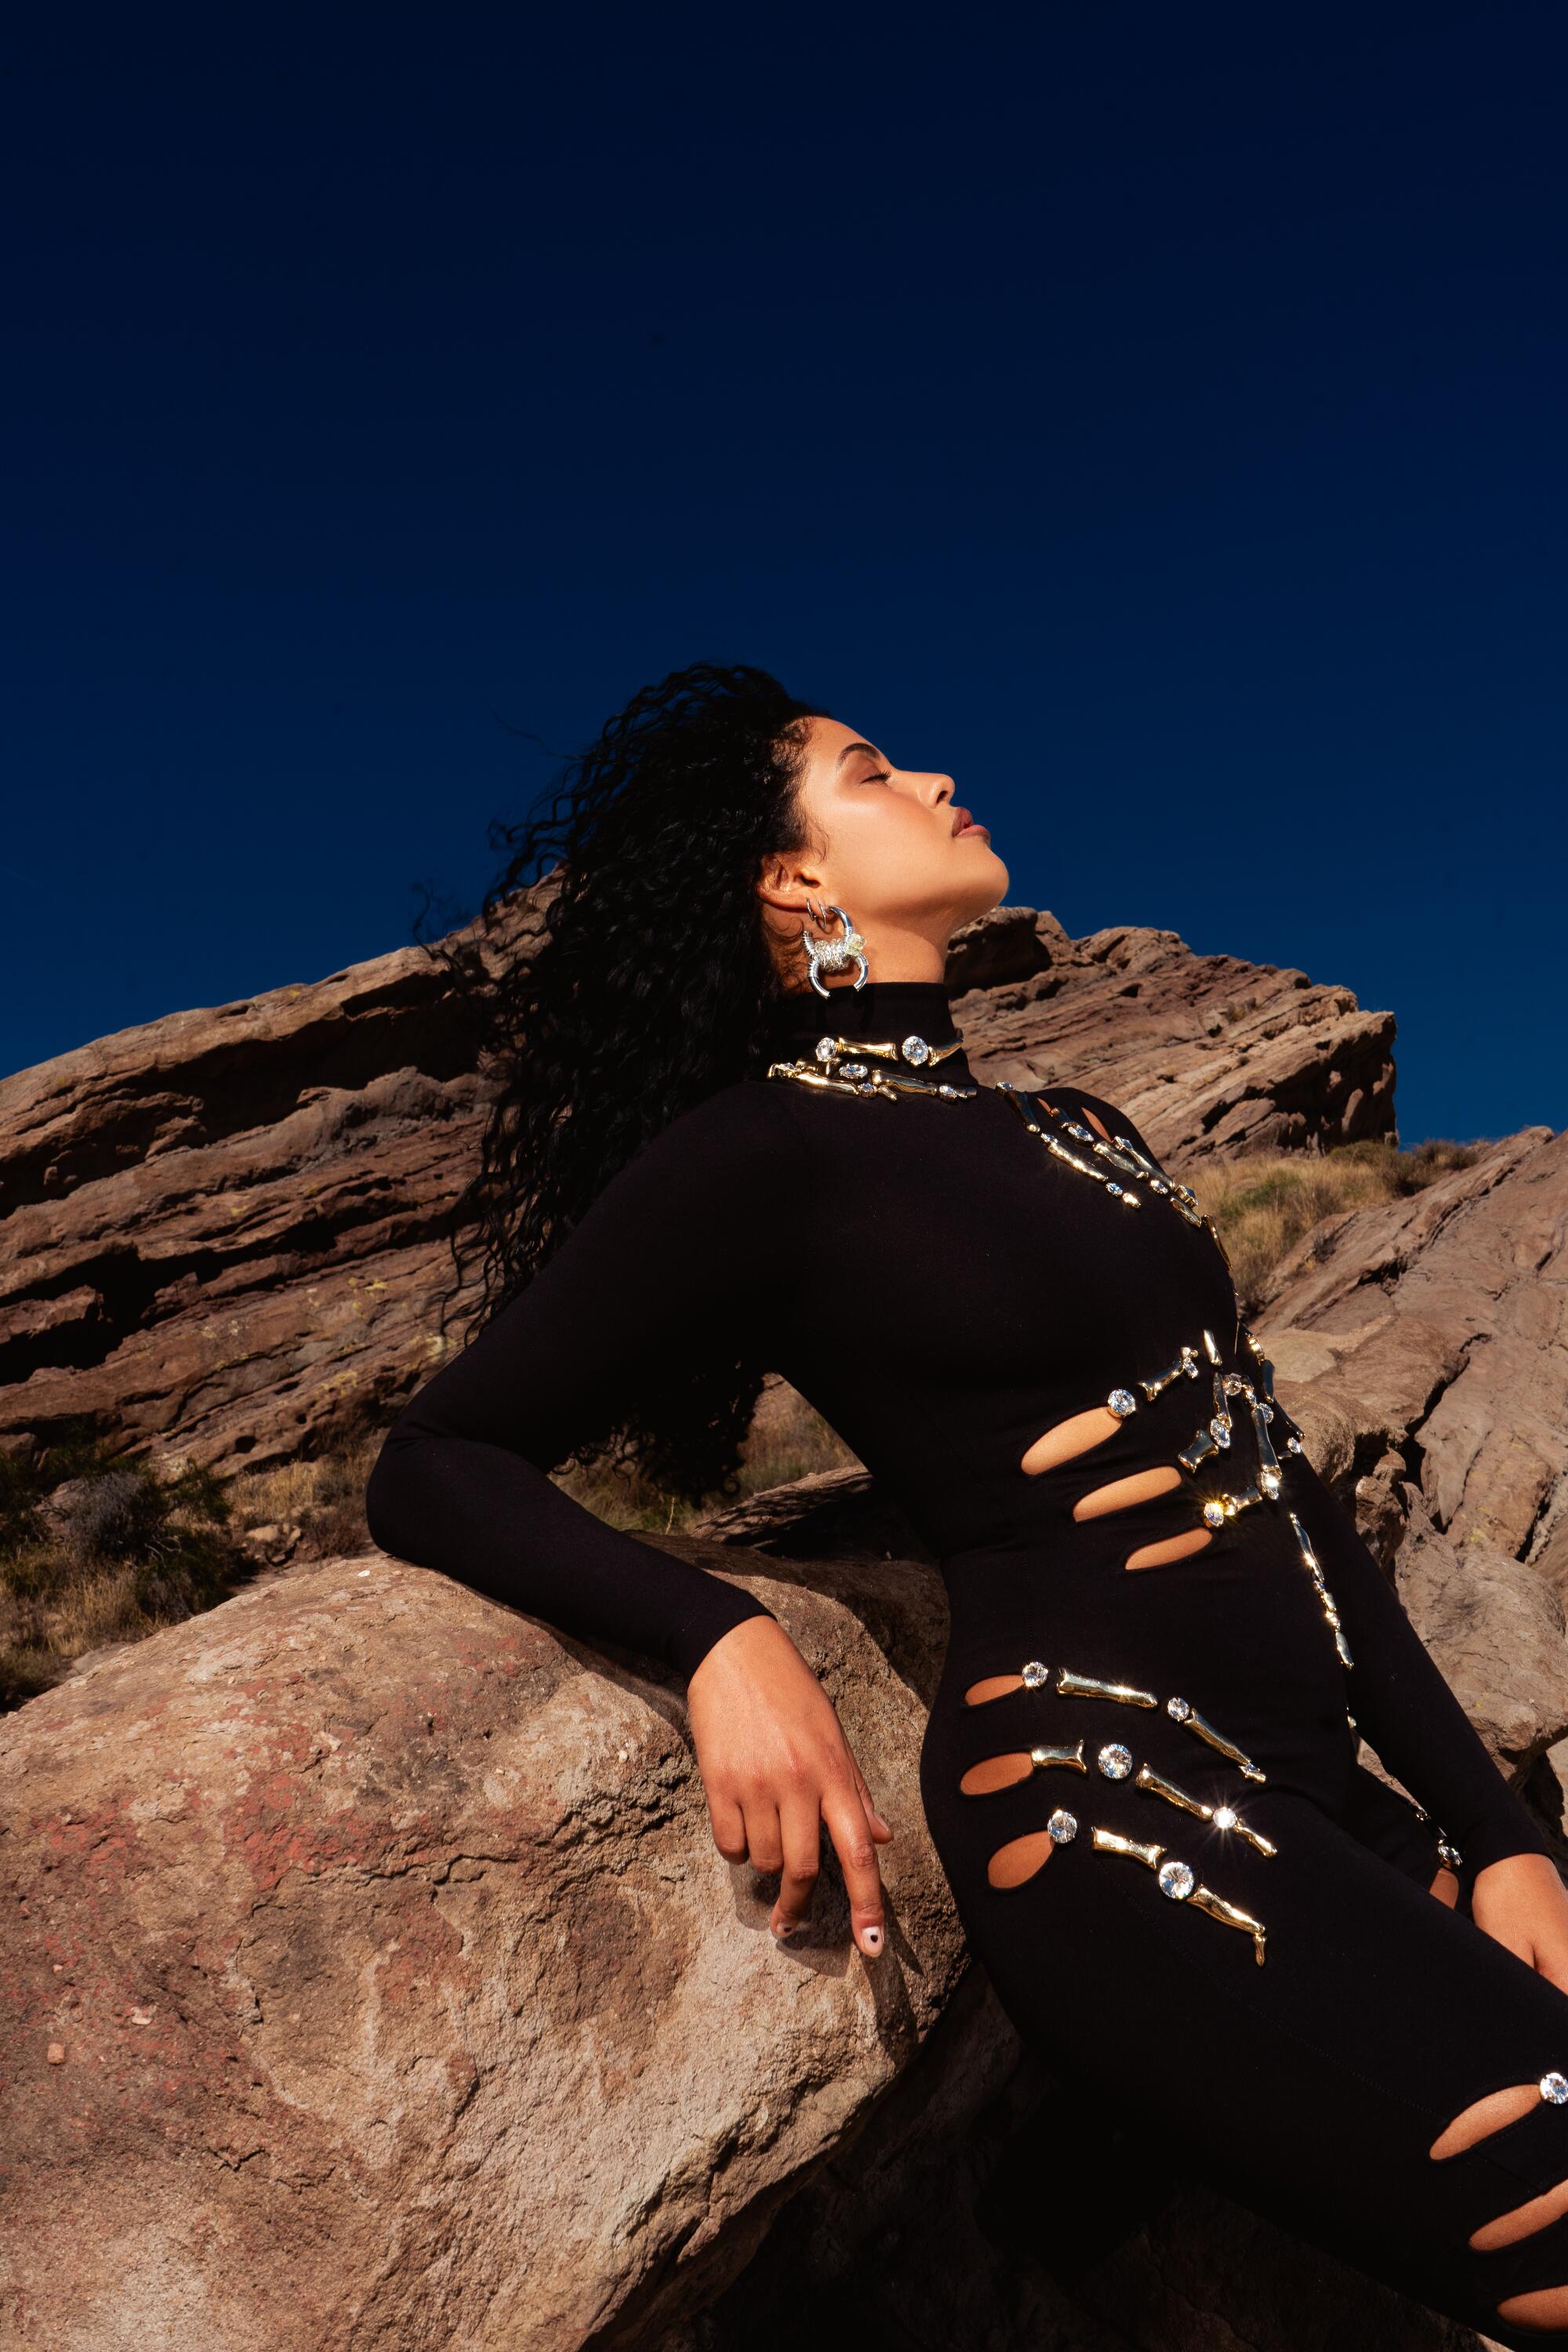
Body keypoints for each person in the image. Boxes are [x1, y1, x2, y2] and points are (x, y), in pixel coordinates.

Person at [365, 661, 1568, 2343]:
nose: (934, 778)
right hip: (1108, 1797)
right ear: (792, 882)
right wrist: (720, 1640)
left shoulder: (1081, 1127)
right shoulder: (764, 1151)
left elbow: (1274, 1479)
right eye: (870, 772)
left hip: (1335, 1800)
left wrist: (1502, 1835)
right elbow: (436, 1461)